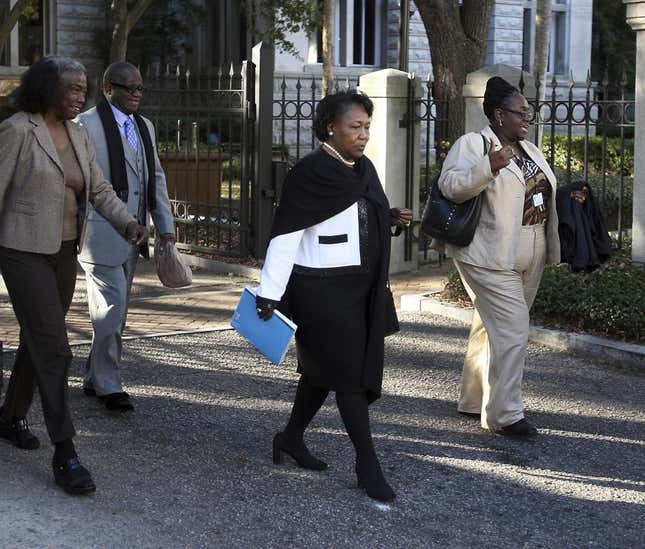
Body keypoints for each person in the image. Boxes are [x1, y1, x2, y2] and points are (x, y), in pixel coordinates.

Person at [255, 90, 412, 502]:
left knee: (320, 375)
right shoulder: (308, 172)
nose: (363, 135)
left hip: (361, 289)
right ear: (331, 127)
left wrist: (388, 215)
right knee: (349, 379)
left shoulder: (363, 168)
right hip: (320, 292)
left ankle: (289, 438)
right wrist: (269, 292)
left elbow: (361, 211)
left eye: (366, 127)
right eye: (354, 127)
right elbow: (286, 233)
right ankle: (367, 465)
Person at [0, 56, 147, 495]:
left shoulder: (80, 134)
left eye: (84, 88)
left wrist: (127, 223)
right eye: (72, 88)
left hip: (64, 252)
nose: (81, 96)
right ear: (47, 88)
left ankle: (9, 417)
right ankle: (65, 452)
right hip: (21, 250)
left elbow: (99, 189)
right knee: (55, 348)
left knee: (38, 338)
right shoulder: (18, 130)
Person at [438, 76, 560, 439]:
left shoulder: (530, 149)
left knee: (489, 325)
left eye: (529, 112)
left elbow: (535, 195)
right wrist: (488, 166)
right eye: (520, 112)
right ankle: (504, 414)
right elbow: (451, 186)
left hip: (530, 250)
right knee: (512, 330)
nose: (527, 118)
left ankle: (474, 399)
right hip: (488, 254)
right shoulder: (473, 144)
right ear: (498, 114)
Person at [77, 62, 175, 412]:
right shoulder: (85, 125)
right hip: (100, 234)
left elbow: (156, 181)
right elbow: (81, 186)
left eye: (140, 89)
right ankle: (108, 385)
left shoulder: (144, 126)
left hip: (136, 237)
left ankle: (93, 376)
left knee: (116, 312)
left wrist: (166, 229)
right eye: (128, 88)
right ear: (108, 89)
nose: (136, 94)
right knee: (112, 309)